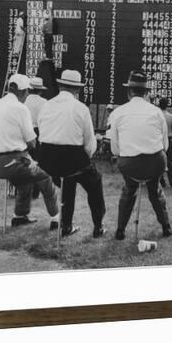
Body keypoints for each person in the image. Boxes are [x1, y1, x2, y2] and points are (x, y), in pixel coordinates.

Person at [0, 74, 59, 228]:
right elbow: (31, 142)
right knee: (45, 176)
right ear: (23, 92)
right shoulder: (21, 108)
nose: (27, 96)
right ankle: (57, 219)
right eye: (27, 92)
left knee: (25, 180)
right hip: (11, 161)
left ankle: (19, 216)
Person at [37, 69, 106, 238]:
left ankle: (66, 225)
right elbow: (89, 143)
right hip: (71, 157)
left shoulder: (46, 105)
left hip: (46, 159)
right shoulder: (80, 108)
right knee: (94, 183)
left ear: (60, 86)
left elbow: (42, 133)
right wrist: (85, 159)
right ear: (77, 89)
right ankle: (98, 226)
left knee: (69, 181)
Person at [110, 70, 172, 240]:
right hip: (155, 162)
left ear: (129, 91)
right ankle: (166, 226)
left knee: (129, 190)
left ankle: (120, 230)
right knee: (155, 190)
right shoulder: (157, 112)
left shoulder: (117, 113)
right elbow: (165, 145)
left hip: (129, 164)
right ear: (146, 93)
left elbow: (115, 149)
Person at [24, 77, 48, 198]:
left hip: (26, 131)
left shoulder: (23, 101)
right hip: (39, 131)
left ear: (29, 89)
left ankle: (23, 189)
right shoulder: (45, 102)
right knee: (38, 161)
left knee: (24, 160)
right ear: (41, 90)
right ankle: (35, 191)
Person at [158, 97, 172, 188]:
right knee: (170, 162)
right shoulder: (171, 116)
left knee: (158, 161)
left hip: (158, 140)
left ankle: (161, 182)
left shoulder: (157, 115)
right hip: (168, 139)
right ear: (167, 105)